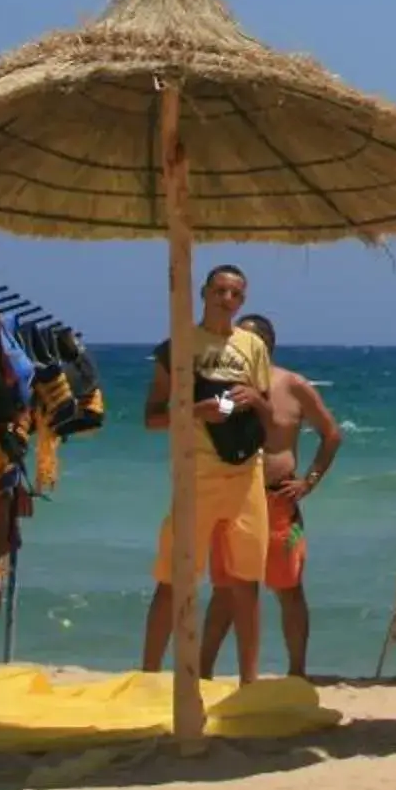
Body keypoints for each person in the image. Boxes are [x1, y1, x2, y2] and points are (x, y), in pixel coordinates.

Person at [140, 264, 272, 683]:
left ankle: (249, 679)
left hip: (245, 470)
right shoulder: (178, 346)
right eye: (219, 291)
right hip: (197, 473)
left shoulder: (252, 346)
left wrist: (253, 397)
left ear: (243, 300)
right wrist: (196, 411)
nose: (226, 300)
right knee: (175, 578)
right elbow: (152, 418)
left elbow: (270, 413)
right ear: (203, 293)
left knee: (246, 581)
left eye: (235, 294)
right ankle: (148, 674)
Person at [192, 312, 339, 681]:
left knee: (287, 588)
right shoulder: (221, 385)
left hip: (278, 502)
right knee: (225, 590)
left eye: (251, 338)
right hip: (234, 495)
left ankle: (297, 673)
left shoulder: (291, 384)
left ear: (268, 345)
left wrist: (309, 481)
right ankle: (203, 672)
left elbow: (331, 434)